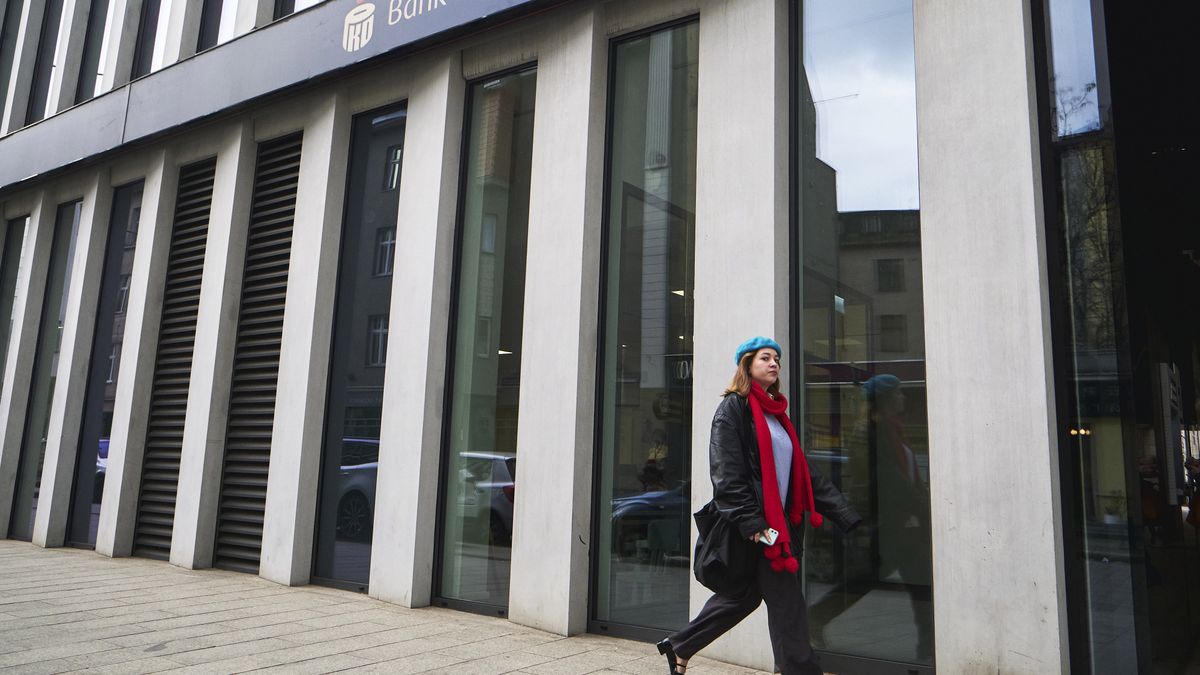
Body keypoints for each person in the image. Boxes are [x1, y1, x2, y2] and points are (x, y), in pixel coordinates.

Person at [657, 336, 862, 675]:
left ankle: (681, 645)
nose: (774, 363)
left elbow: (803, 472)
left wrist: (843, 513)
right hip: (758, 527)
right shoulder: (733, 408)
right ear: (747, 364)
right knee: (788, 604)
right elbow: (726, 471)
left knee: (744, 597)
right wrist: (751, 523)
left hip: (777, 524)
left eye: (777, 359)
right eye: (765, 357)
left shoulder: (777, 415)